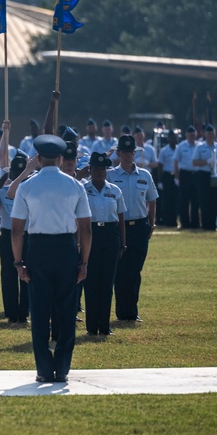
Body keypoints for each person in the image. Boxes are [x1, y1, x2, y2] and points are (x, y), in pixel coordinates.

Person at [11, 135, 92, 384]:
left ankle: (44, 368)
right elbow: (86, 229)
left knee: (39, 309)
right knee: (67, 310)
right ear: (60, 158)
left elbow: (16, 230)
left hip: (38, 249)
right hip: (66, 247)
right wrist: (84, 262)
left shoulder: (27, 186)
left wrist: (18, 262)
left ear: (38, 159)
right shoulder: (75, 185)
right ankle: (63, 367)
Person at [109, 134, 158, 321]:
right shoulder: (111, 175)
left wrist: (151, 224)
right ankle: (122, 312)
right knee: (120, 272)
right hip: (119, 228)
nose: (128, 155)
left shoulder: (145, 175)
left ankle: (132, 311)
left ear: (134, 154)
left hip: (139, 227)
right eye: (125, 152)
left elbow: (152, 201)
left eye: (131, 152)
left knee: (135, 271)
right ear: (119, 153)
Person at [84, 152, 126, 336]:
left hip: (110, 235)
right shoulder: (83, 189)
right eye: (96, 169)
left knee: (107, 282)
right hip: (91, 233)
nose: (100, 172)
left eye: (103, 169)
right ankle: (92, 326)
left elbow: (121, 219)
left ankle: (105, 326)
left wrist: (122, 244)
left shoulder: (115, 190)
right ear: (90, 170)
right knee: (91, 281)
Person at [0, 153, 29, 324]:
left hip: (27, 235)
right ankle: (11, 312)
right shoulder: (2, 192)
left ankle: (24, 313)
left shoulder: (31, 191)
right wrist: (2, 181)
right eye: (15, 172)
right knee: (8, 275)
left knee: (27, 274)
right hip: (8, 235)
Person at [192, 124, 217, 231]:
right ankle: (205, 224)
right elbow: (194, 162)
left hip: (215, 174)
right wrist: (206, 162)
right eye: (208, 134)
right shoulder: (200, 146)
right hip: (204, 175)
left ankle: (213, 224)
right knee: (204, 200)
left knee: (215, 199)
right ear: (204, 134)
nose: (210, 136)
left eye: (212, 134)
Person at [173, 125, 200, 229]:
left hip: (196, 175)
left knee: (195, 200)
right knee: (184, 200)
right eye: (190, 135)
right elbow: (175, 161)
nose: (192, 137)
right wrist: (176, 177)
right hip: (185, 174)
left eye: (193, 135)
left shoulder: (199, 145)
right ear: (186, 135)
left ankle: (195, 223)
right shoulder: (181, 146)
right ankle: (184, 223)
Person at [156, 130, 179, 227]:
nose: (174, 139)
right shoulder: (164, 150)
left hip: (176, 176)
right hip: (167, 176)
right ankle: (166, 220)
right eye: (172, 137)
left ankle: (174, 220)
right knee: (166, 199)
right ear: (169, 138)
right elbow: (160, 166)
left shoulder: (179, 149)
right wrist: (159, 180)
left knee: (175, 199)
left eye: (175, 137)